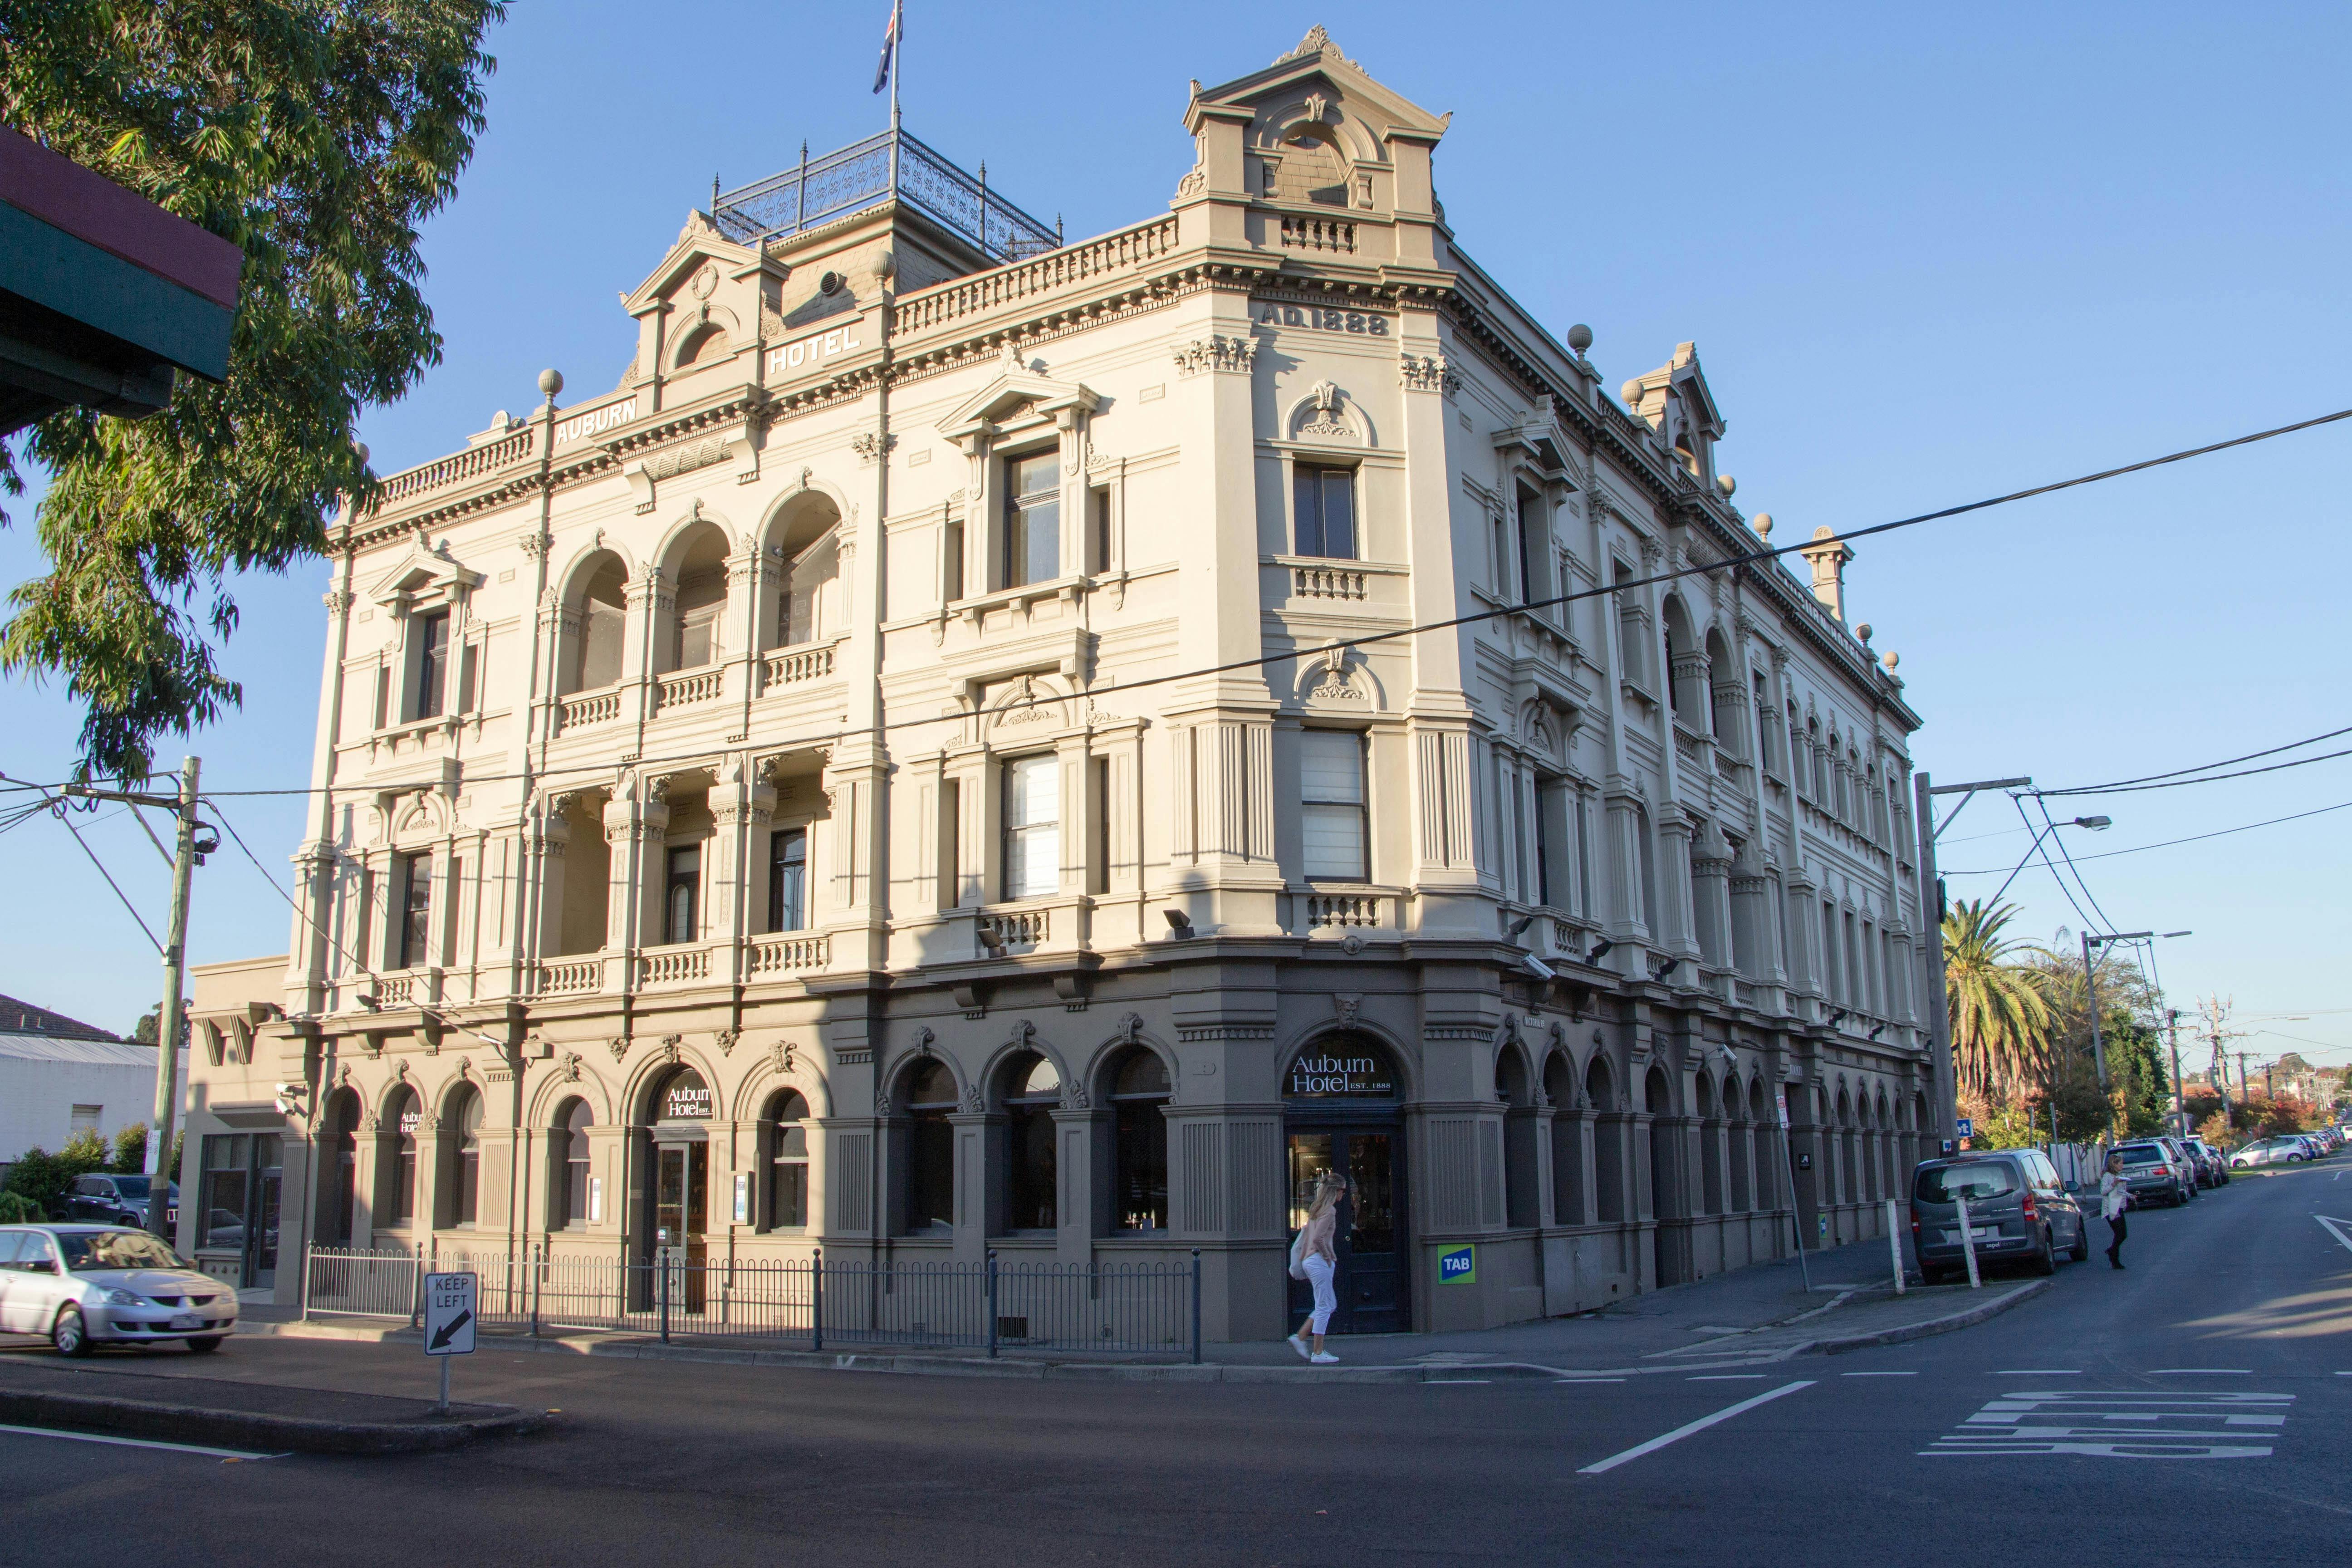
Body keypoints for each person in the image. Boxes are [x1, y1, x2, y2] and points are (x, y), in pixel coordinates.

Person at [1287, 1170, 1347, 1365]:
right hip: (1318, 1261)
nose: (1344, 1194)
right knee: (1324, 1306)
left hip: (1310, 1260)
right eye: (1343, 1190)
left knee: (1329, 1304)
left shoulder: (1317, 1208)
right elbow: (1318, 1238)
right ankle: (1318, 1352)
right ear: (1335, 1191)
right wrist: (1329, 1257)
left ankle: (1301, 1337)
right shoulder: (1330, 1211)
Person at [2100, 1152, 2130, 1269]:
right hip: (2111, 1209)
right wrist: (2113, 1184)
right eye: (2120, 1164)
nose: (2122, 1165)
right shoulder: (2108, 1176)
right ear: (2114, 1164)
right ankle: (2114, 1259)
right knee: (2119, 1234)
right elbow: (2103, 1191)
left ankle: (2112, 1252)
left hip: (2119, 1207)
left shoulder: (2119, 1176)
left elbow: (2121, 1191)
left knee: (2123, 1234)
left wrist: (2130, 1196)